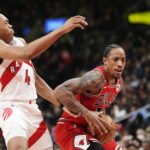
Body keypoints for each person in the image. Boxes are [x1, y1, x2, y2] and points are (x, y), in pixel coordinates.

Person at [0, 13, 88, 150]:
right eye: (5, 23)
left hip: (32, 108)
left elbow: (35, 79)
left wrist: (62, 103)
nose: (10, 25)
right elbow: (26, 53)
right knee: (17, 147)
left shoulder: (20, 42)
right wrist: (61, 30)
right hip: (11, 106)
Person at [54, 44, 126, 150]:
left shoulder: (119, 83)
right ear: (105, 60)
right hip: (69, 127)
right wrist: (86, 113)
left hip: (91, 130)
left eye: (123, 60)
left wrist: (103, 123)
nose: (120, 64)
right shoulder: (95, 78)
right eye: (115, 59)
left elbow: (99, 107)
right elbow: (60, 91)